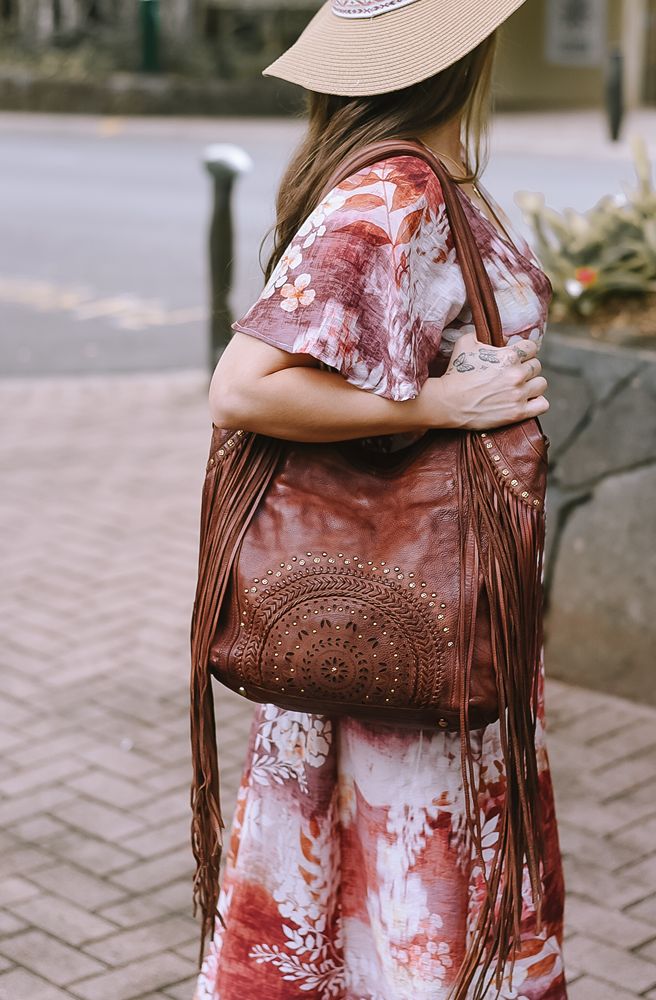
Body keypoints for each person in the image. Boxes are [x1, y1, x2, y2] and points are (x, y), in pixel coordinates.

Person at [193, 0, 566, 996]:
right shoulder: (395, 189)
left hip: (408, 619)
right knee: (405, 907)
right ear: (469, 53)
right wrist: (445, 400)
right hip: (403, 629)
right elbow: (243, 386)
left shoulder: (423, 178)